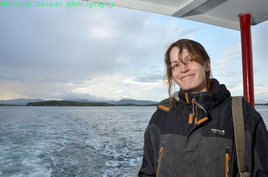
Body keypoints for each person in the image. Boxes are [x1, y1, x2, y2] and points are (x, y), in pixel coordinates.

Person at [138, 39, 268, 177]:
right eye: (175, 65)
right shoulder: (162, 116)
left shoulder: (241, 113)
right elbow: (148, 172)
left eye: (190, 60)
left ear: (206, 64)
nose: (183, 69)